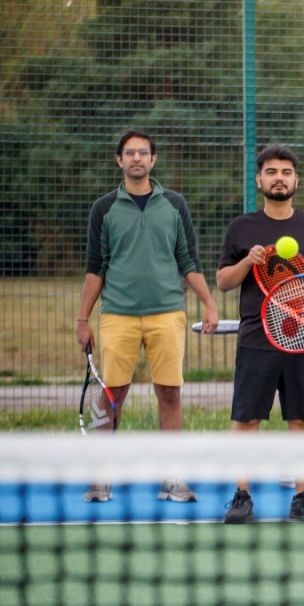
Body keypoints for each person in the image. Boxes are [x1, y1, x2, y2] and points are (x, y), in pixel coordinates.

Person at [75, 129, 219, 503]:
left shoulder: (174, 204)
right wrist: (82, 319)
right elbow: (96, 267)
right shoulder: (103, 208)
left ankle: (171, 478)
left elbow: (188, 260)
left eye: (143, 153)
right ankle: (100, 478)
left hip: (168, 314)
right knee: (112, 395)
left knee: (169, 393)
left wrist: (210, 303)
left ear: (153, 160)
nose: (137, 158)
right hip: (117, 316)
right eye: (130, 153)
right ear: (119, 161)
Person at [216, 144, 304, 525]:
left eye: (286, 172)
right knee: (246, 421)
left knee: (301, 421)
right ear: (259, 179)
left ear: (296, 180)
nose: (279, 178)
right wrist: (247, 263)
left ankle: (303, 497)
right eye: (272, 172)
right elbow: (222, 282)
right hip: (256, 339)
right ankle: (241, 496)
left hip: (301, 340)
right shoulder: (242, 228)